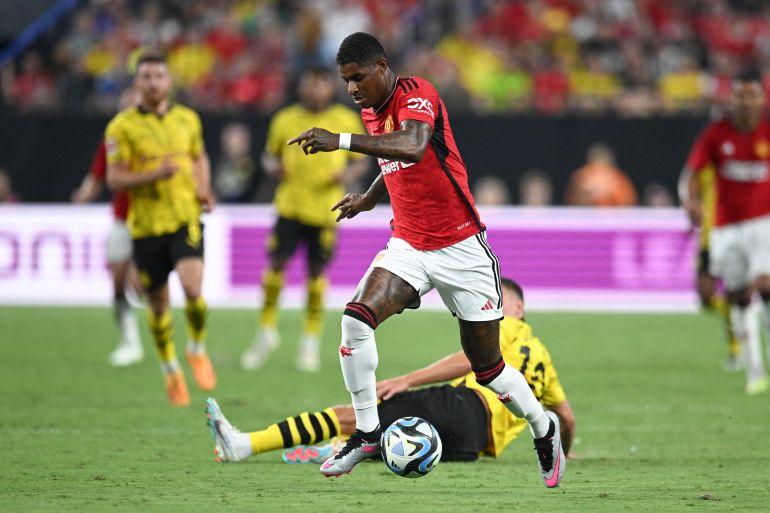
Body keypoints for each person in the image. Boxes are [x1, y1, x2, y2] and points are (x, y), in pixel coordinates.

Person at [284, 33, 565, 487]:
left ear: (381, 67)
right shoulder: (371, 110)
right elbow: (394, 161)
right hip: (410, 245)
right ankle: (367, 433)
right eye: (345, 81)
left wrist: (339, 140)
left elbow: (413, 145)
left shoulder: (418, 93)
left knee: (488, 369)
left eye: (357, 78)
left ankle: (542, 427)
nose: (351, 88)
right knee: (355, 319)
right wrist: (370, 198)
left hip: (461, 248)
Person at [206, 278, 576, 465]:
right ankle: (331, 450)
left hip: (464, 406)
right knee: (397, 445)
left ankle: (246, 444)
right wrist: (564, 452)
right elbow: (567, 418)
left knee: (355, 416)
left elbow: (472, 360)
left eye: (499, 299)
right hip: (474, 446)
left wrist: (406, 379)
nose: (491, 304)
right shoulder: (544, 360)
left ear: (518, 307)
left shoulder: (505, 325)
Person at [240, 65, 369, 373]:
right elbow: (269, 157)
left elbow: (361, 161)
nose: (314, 89)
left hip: (325, 210)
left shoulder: (345, 119)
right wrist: (274, 168)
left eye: (320, 84)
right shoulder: (284, 119)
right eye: (309, 83)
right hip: (290, 206)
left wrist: (346, 174)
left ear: (330, 88)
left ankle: (310, 340)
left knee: (316, 274)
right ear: (301, 87)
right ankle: (266, 331)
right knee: (275, 266)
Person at [105, 52, 216, 407]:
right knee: (158, 305)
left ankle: (196, 348)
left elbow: (199, 156)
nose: (153, 83)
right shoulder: (121, 127)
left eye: (159, 76)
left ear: (169, 81)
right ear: (137, 82)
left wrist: (204, 188)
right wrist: (154, 174)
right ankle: (170, 368)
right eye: (146, 77)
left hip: (185, 218)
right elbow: (114, 179)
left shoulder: (187, 119)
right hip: (146, 227)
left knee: (193, 289)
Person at [680, 68, 770, 395]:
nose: (746, 102)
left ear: (761, 97)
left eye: (751, 95)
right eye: (740, 95)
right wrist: (691, 202)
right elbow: (692, 174)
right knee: (736, 296)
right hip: (723, 228)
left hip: (763, 223)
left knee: (765, 285)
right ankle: (754, 369)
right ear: (731, 98)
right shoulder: (716, 134)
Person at [72, 87, 143, 367]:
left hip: (153, 222)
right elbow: (98, 174)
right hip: (122, 219)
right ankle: (129, 342)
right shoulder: (113, 138)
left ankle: (163, 342)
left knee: (144, 287)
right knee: (118, 283)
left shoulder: (157, 139)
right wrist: (82, 196)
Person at [677, 161, 740, 371]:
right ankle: (733, 313)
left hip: (734, 236)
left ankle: (736, 348)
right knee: (705, 297)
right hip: (709, 239)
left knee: (735, 291)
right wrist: (691, 210)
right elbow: (689, 190)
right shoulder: (704, 168)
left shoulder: (737, 166)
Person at [565, 142, 637, 207]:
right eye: (594, 169)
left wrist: (610, 195)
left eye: (603, 170)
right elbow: (570, 202)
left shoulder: (620, 179)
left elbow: (629, 204)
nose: (599, 174)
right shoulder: (580, 176)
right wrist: (584, 195)